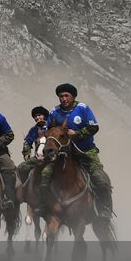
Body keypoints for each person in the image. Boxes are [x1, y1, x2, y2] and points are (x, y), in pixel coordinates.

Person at [40, 82, 112, 218]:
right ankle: (44, 206)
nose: (63, 99)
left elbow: (94, 127)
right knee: (45, 174)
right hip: (62, 152)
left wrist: (77, 133)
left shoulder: (82, 108)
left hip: (86, 150)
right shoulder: (54, 112)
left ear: (73, 96)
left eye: (66, 96)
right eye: (61, 96)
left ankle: (104, 209)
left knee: (100, 178)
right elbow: (46, 129)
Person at [17, 105, 50, 201]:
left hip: (52, 156)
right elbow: (27, 142)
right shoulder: (34, 129)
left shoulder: (52, 126)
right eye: (35, 116)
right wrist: (26, 152)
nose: (37, 118)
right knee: (21, 167)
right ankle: (23, 192)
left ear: (44, 116)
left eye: (39, 115)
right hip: (38, 157)